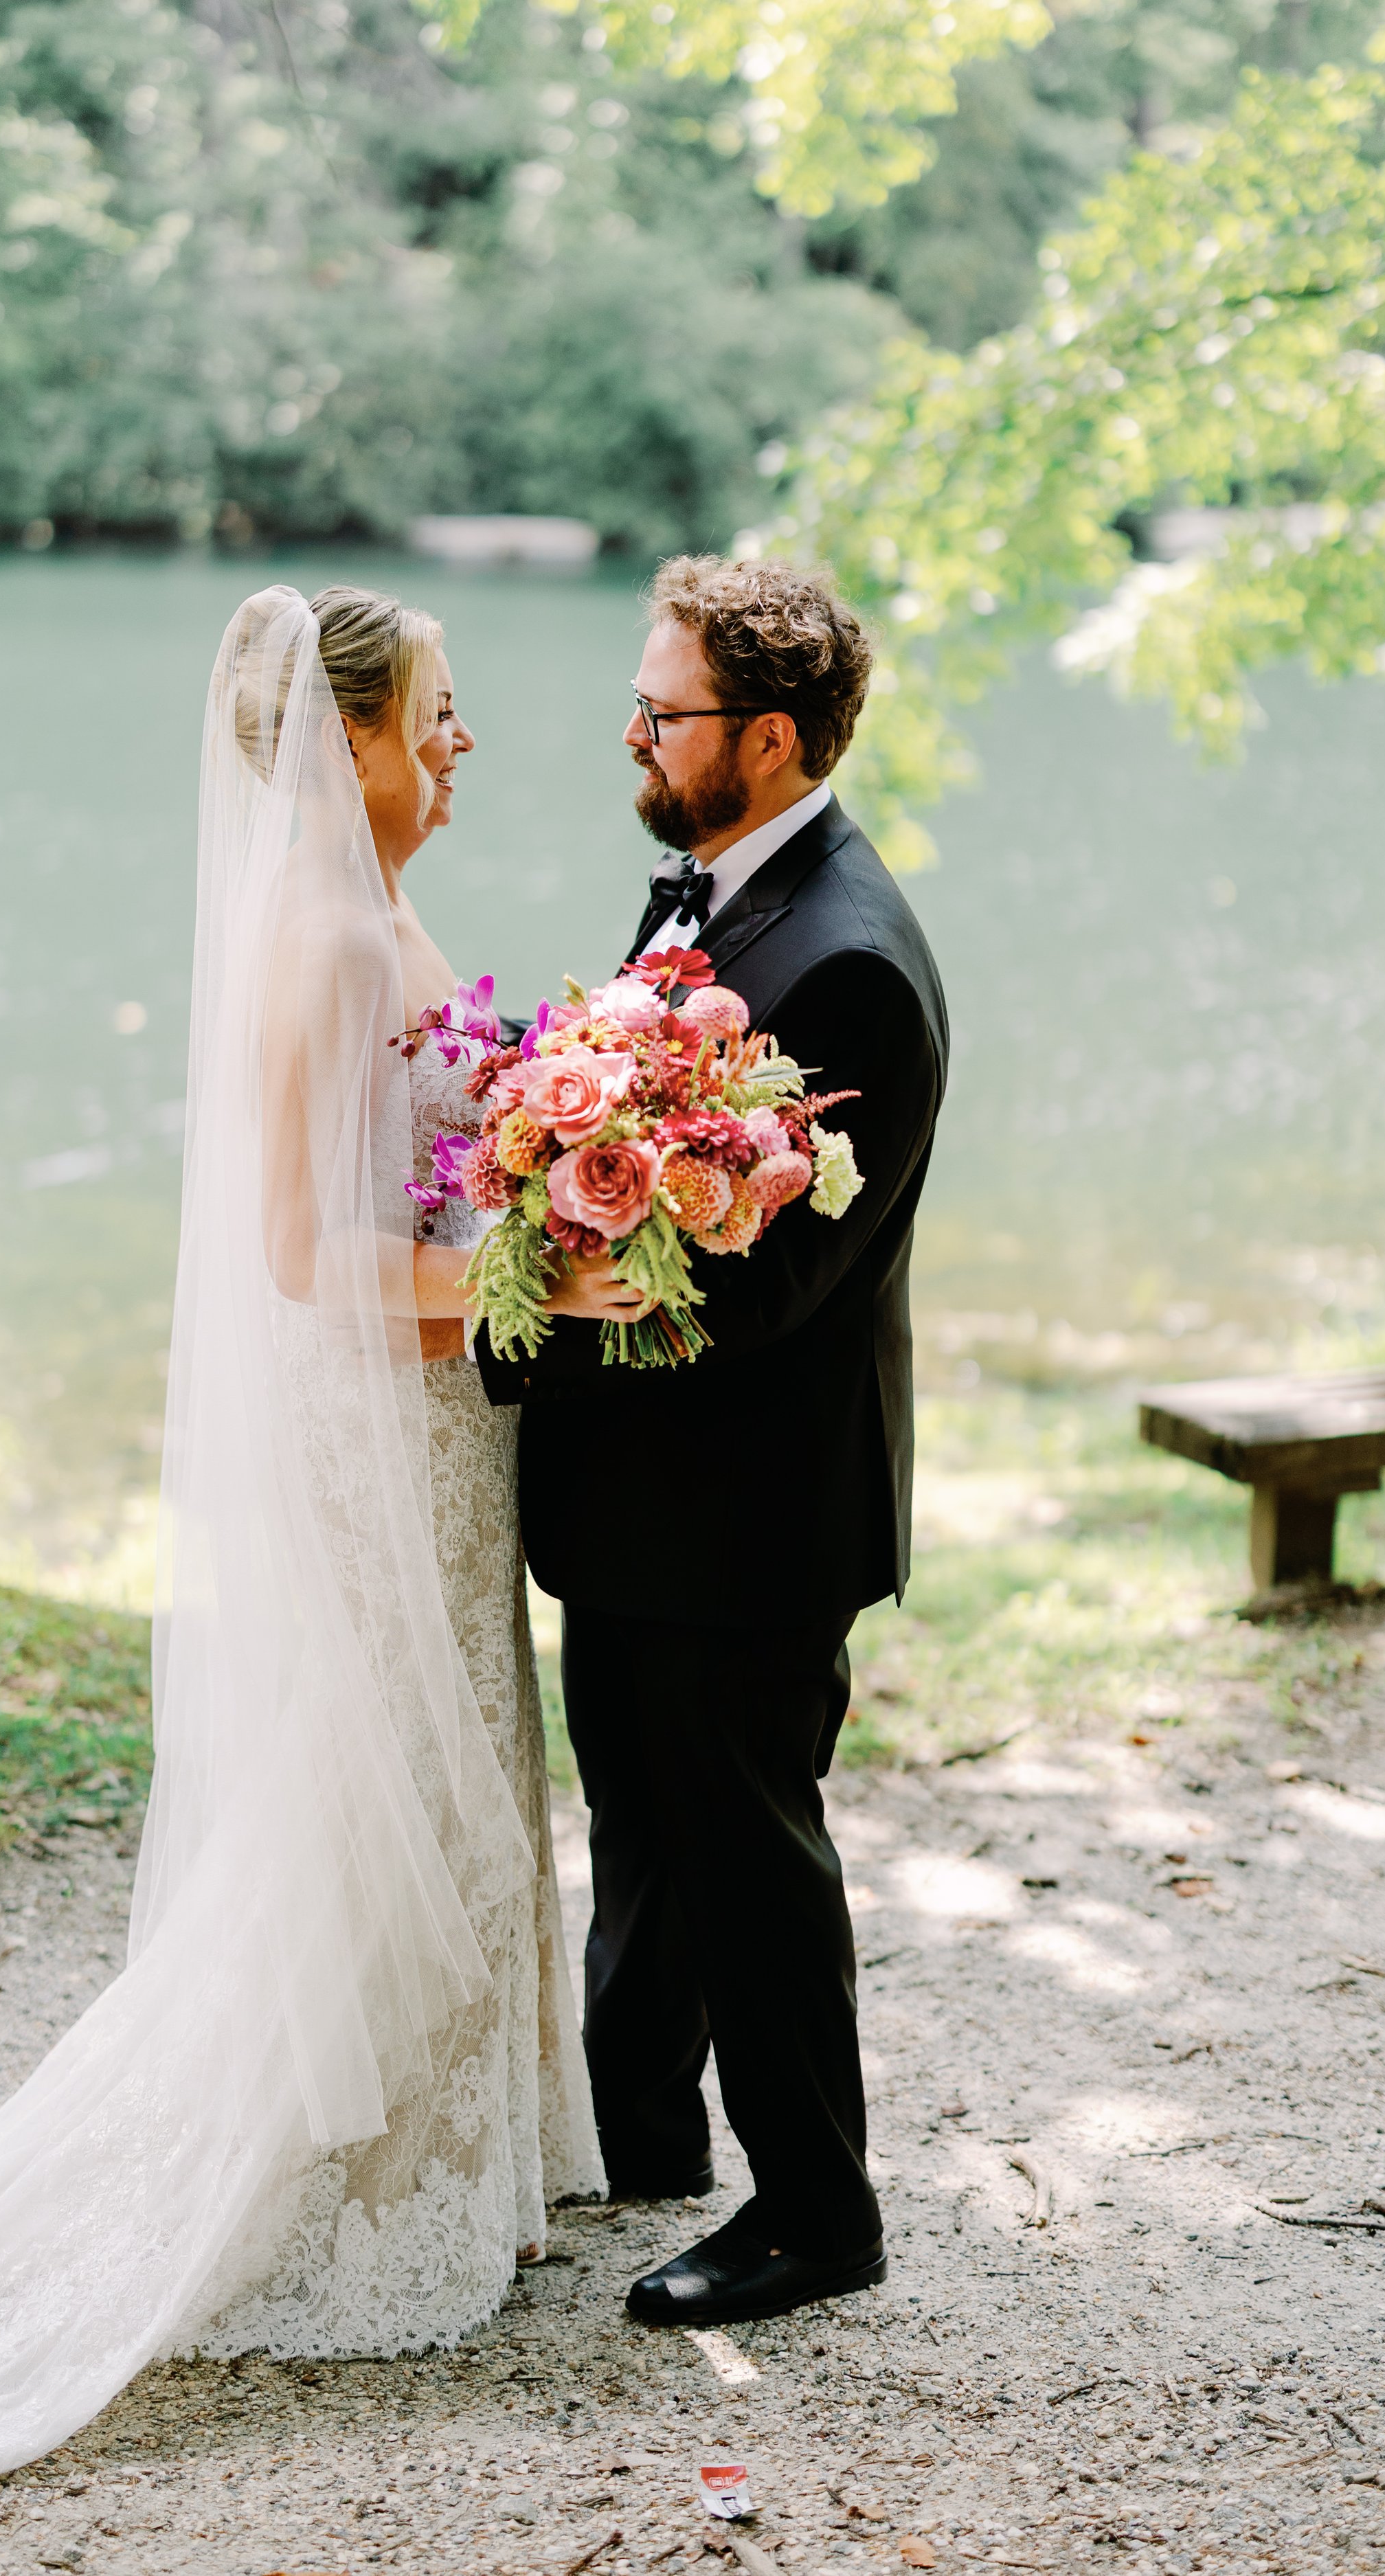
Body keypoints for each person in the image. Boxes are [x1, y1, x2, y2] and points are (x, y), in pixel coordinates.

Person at [0, 583, 614, 2528]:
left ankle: (449, 2160)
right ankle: (332, 2186)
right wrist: (542, 1277)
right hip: (371, 1426)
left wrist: (540, 1187)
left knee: (450, 1766)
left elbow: (423, 1159)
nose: (464, 748)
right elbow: (307, 1261)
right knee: (367, 1784)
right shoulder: (314, 942)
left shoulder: (379, 907)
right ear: (349, 734)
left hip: (433, 1439)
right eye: (441, 718)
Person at [475, 554, 949, 2329]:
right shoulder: (716, 899)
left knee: (747, 1854)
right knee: (647, 1829)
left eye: (659, 711)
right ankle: (645, 2139)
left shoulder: (843, 964)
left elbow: (764, 1296)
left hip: (748, 1514)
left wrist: (513, 1285)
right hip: (645, 1503)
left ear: (761, 736)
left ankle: (817, 2215)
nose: (630, 733)